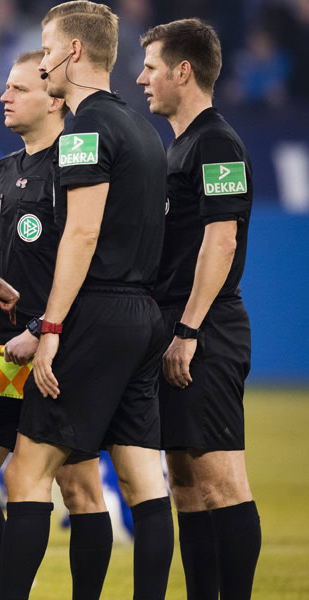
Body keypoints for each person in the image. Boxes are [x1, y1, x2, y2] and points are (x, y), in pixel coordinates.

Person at [0, 2, 173, 598]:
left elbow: (83, 231)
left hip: (95, 312)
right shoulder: (141, 128)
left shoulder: (85, 128)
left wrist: (50, 327)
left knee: (28, 472)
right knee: (144, 479)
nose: (42, 62)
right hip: (144, 315)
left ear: (73, 51)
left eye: (46, 50)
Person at [0, 49, 116, 600]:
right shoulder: (1, 170)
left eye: (18, 88)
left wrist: (43, 327)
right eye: (6, 87)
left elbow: (92, 264)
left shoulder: (78, 164)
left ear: (55, 99)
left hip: (58, 349)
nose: (4, 97)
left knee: (80, 488)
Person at [138, 18, 261, 599]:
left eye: (152, 67)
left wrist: (187, 328)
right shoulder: (179, 146)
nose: (142, 79)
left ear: (183, 71)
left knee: (221, 481)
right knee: (184, 480)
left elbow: (223, 239)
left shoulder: (216, 142)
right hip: (175, 326)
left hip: (205, 328)